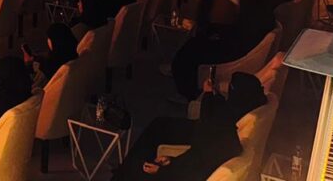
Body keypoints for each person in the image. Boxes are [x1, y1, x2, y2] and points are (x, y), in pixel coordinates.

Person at [112, 73, 267, 181]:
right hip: (177, 169)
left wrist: (162, 171)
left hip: (171, 175)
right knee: (136, 162)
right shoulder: (228, 141)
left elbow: (192, 170)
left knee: (134, 168)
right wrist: (170, 162)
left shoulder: (217, 139)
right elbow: (195, 161)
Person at [171, 0, 276, 100]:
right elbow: (236, 32)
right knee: (195, 43)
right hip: (232, 48)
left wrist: (214, 36)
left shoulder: (253, 20)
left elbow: (235, 41)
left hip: (232, 55)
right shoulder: (261, 17)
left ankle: (186, 92)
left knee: (190, 52)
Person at [23, 23, 78, 89]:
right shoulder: (73, 54)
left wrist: (28, 64)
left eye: (49, 38)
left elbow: (35, 85)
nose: (48, 41)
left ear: (55, 41)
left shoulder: (52, 66)